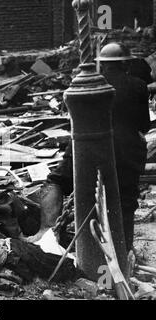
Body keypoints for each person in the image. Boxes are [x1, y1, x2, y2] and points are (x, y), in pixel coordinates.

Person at [27, 43, 151, 252]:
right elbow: (144, 125)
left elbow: (74, 120)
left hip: (85, 147)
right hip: (126, 151)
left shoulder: (83, 85)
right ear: (126, 63)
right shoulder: (138, 86)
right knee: (126, 199)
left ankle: (46, 231)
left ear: (101, 65)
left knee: (56, 182)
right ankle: (124, 248)